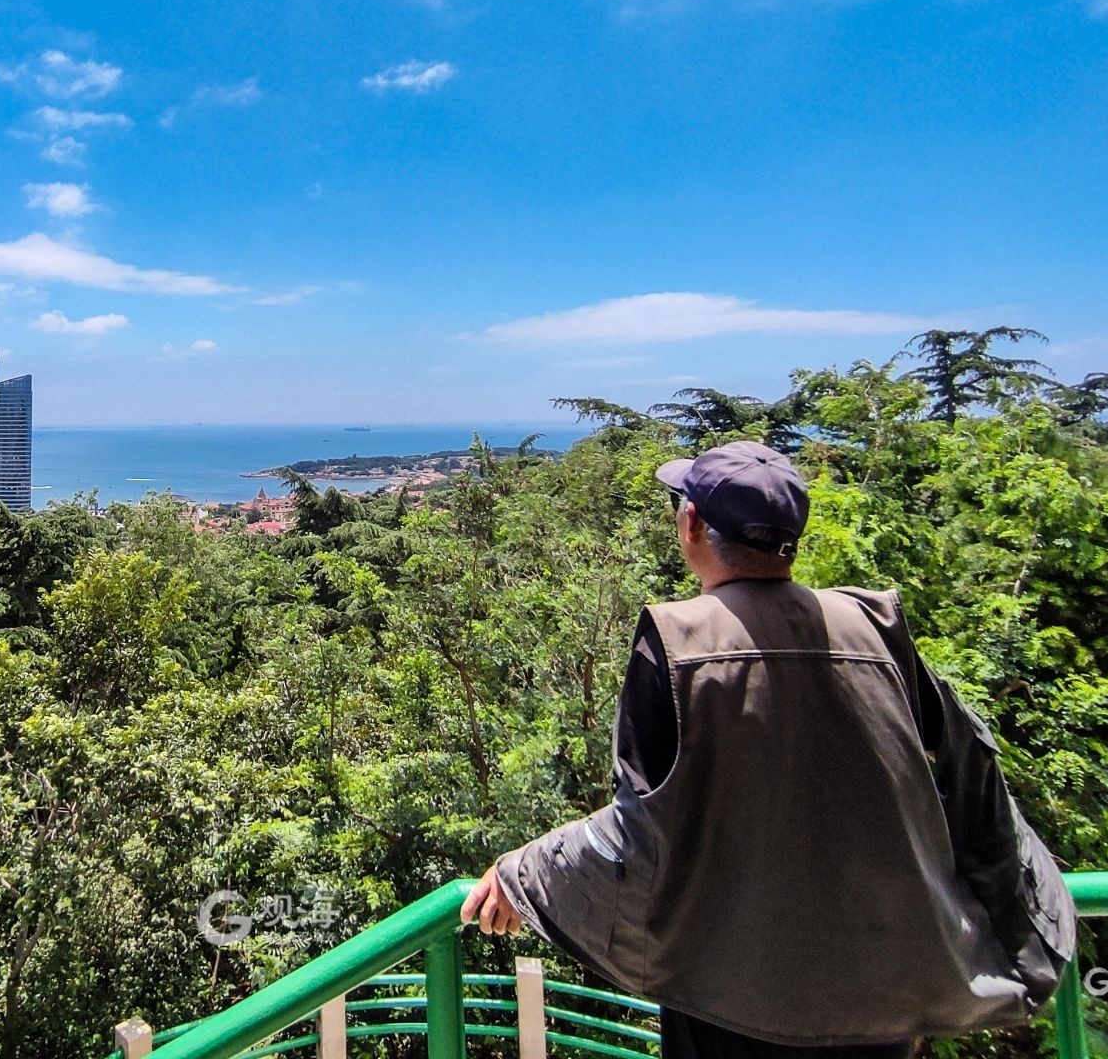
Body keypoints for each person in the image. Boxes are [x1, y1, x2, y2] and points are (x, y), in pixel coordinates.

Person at [460, 441, 1075, 1058]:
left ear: (692, 523)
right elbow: (972, 774)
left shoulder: (678, 646)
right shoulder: (874, 627)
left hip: (734, 1003)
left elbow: (640, 836)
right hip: (882, 996)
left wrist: (526, 874)